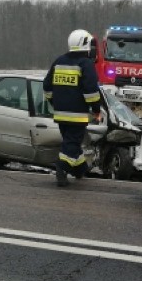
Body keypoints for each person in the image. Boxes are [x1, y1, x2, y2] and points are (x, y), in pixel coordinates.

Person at [43, 29, 102, 187]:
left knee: (71, 143)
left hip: (60, 114)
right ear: (85, 44)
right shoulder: (86, 64)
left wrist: (54, 102)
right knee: (73, 142)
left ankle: (79, 169)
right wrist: (97, 110)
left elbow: (47, 86)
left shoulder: (59, 61)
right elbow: (91, 92)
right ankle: (61, 168)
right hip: (77, 115)